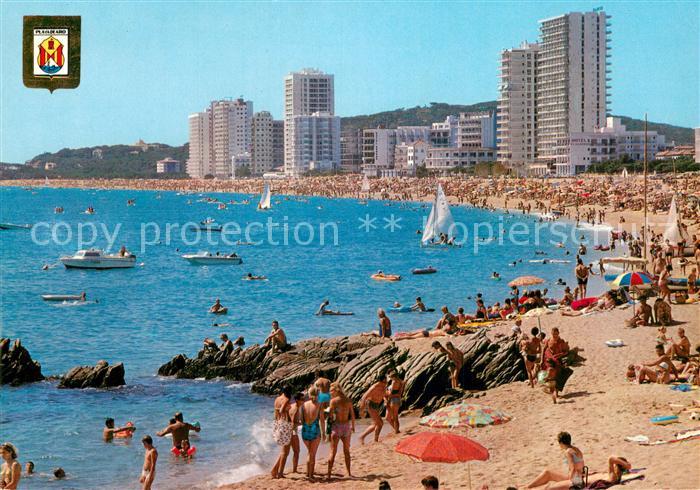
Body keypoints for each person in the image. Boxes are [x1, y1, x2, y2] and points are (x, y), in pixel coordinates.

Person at [327, 382, 355, 480]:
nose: (330, 393)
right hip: (347, 426)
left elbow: (330, 417)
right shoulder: (348, 400)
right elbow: (352, 414)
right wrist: (353, 426)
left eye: (331, 391)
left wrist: (327, 430)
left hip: (337, 426)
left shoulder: (333, 401)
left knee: (332, 451)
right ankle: (349, 473)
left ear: (336, 390)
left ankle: (329, 475)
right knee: (346, 451)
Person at [300, 387, 325, 480]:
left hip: (305, 430)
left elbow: (301, 420)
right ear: (317, 394)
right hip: (315, 430)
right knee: (312, 453)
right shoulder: (319, 404)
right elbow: (322, 420)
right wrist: (324, 433)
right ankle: (311, 475)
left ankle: (307, 473)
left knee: (309, 452)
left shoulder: (303, 405)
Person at [271, 387, 293, 479]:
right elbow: (281, 410)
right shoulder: (286, 399)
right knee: (286, 451)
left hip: (277, 424)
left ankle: (275, 469)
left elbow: (276, 413)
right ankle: (280, 473)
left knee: (284, 450)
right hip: (284, 425)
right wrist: (287, 418)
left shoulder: (277, 399)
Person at [359, 374, 388, 444]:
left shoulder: (384, 386)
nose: (386, 382)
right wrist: (362, 409)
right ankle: (374, 439)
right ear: (380, 381)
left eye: (386, 381)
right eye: (384, 381)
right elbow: (364, 397)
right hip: (370, 404)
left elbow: (383, 394)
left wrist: (385, 399)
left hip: (376, 405)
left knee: (376, 423)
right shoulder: (374, 387)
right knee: (380, 423)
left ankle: (364, 437)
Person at [289, 392, 304, 474]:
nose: (304, 401)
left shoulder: (291, 405)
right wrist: (303, 423)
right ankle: (294, 470)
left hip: (287, 431)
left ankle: (277, 469)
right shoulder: (296, 409)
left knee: (285, 453)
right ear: (297, 400)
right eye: (302, 399)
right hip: (293, 432)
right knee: (297, 451)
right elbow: (292, 423)